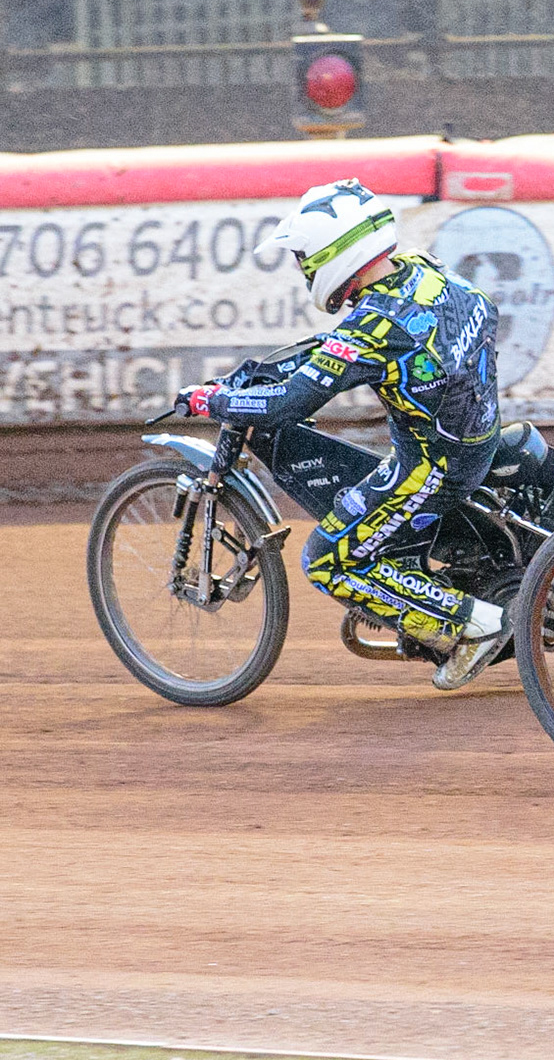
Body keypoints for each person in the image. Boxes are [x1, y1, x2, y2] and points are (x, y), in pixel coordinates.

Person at [174, 179, 507, 691]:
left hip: (431, 467)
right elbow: (342, 347)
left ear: (334, 253)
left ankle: (467, 626)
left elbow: (289, 404)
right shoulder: (423, 273)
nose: (304, 268)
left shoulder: (371, 329)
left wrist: (209, 400)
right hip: (480, 433)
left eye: (305, 256)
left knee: (326, 559)